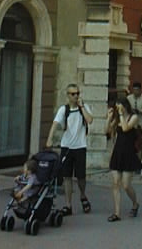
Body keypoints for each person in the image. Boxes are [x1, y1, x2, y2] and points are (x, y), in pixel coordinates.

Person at [46, 83, 93, 216]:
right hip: (66, 146)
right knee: (67, 176)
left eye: (77, 93)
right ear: (68, 95)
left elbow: (90, 120)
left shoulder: (83, 108)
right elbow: (55, 124)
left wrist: (82, 106)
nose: (76, 96)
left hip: (80, 146)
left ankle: (83, 196)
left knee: (81, 177)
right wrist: (50, 138)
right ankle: (68, 205)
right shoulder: (63, 109)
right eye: (73, 94)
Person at [106, 97, 142, 222]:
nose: (118, 108)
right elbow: (107, 131)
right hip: (117, 153)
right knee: (116, 183)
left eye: (120, 105)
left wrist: (121, 114)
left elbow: (126, 128)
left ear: (125, 105)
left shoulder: (134, 117)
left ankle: (135, 203)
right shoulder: (117, 118)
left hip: (129, 154)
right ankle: (117, 213)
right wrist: (109, 118)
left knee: (126, 185)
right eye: (117, 106)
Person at [127, 81, 142, 164]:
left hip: (140, 125)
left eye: (137, 90)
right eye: (134, 90)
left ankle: (138, 163)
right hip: (130, 125)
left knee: (139, 145)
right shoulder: (129, 98)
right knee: (130, 145)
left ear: (140, 90)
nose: (135, 91)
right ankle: (131, 162)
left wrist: (140, 112)